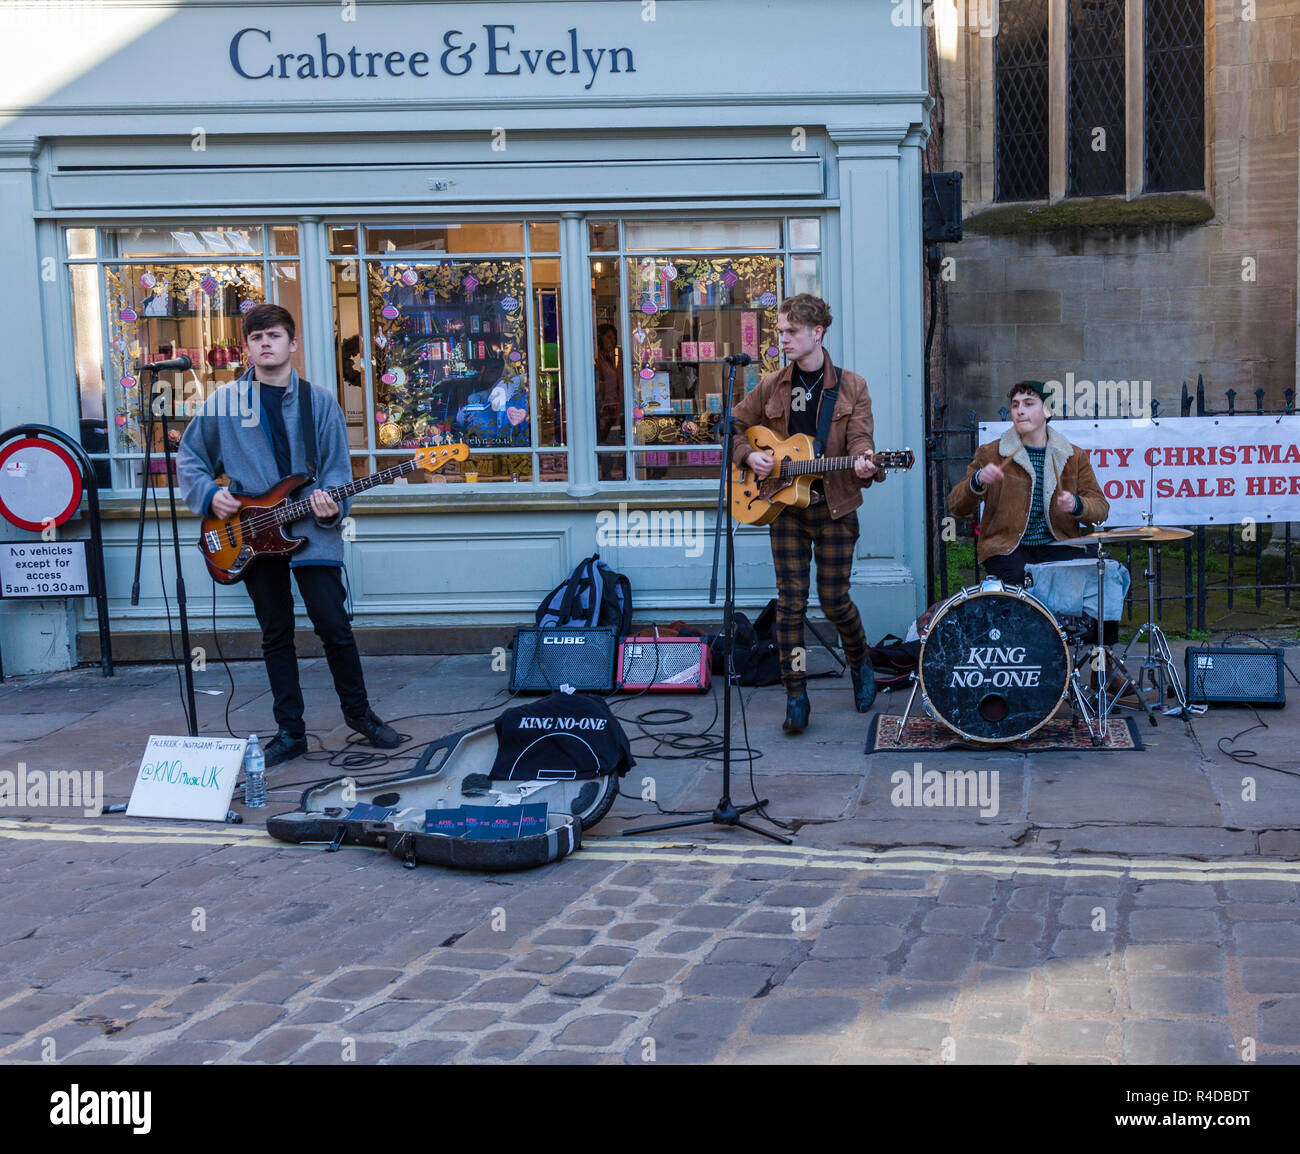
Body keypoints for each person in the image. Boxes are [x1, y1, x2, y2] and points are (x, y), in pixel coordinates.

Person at [177, 303, 401, 767]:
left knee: (334, 627)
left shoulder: (319, 402)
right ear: (247, 347)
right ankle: (290, 731)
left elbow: (338, 470)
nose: (265, 344)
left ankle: (359, 715)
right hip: (250, 535)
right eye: (256, 338)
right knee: (275, 634)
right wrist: (208, 497)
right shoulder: (224, 403)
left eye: (274, 336)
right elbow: (191, 457)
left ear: (291, 344)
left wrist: (330, 506)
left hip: (311, 536)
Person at [730, 293, 881, 734]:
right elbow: (731, 423)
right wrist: (747, 457)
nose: (783, 340)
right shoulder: (773, 383)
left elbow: (859, 440)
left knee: (834, 601)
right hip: (783, 507)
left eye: (791, 332)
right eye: (781, 332)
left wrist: (865, 461)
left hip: (834, 507)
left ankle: (860, 662)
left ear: (817, 333)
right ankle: (796, 695)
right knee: (790, 607)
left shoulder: (852, 387)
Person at [949, 379, 1109, 586]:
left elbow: (1101, 509)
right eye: (1015, 405)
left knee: (1103, 575)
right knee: (1026, 582)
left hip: (1059, 545)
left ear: (1047, 411)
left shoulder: (1073, 456)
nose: (1019, 411)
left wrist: (1076, 504)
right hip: (1007, 548)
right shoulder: (990, 453)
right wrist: (977, 481)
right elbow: (956, 505)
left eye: (1028, 403)